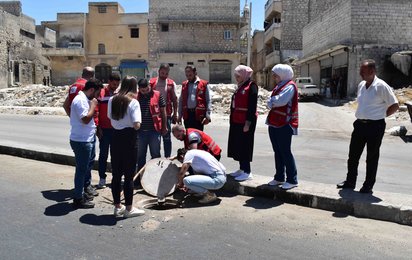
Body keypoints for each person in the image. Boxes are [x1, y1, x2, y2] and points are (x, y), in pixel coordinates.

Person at [337, 59, 399, 194]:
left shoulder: (381, 86)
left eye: (362, 71)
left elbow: (395, 105)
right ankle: (350, 182)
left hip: (375, 126)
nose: (360, 73)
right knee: (353, 155)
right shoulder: (361, 85)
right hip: (360, 125)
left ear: (372, 71)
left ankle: (368, 185)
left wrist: (381, 115)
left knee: (371, 157)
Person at [108, 76, 145, 218]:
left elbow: (110, 118)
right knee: (129, 176)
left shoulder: (112, 99)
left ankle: (117, 207)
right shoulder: (133, 102)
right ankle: (129, 208)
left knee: (116, 175)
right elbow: (137, 124)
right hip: (129, 139)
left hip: (115, 137)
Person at [69, 78, 103, 208]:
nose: (98, 96)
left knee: (83, 169)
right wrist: (93, 106)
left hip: (85, 139)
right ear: (92, 90)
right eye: (97, 93)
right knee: (81, 170)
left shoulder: (83, 99)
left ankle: (81, 193)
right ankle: (78, 198)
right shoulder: (80, 100)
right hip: (82, 141)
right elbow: (85, 119)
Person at [266, 64, 299, 190]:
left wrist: (272, 101)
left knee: (285, 152)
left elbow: (280, 101)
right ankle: (279, 177)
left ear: (283, 74)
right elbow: (272, 102)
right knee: (277, 152)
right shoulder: (280, 86)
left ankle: (292, 179)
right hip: (274, 123)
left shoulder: (289, 86)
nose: (274, 77)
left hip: (284, 124)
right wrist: (272, 101)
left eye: (276, 75)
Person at [228, 65, 258, 181]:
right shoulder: (240, 86)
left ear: (244, 75)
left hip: (246, 121)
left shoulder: (252, 86)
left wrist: (248, 123)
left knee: (245, 145)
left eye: (238, 76)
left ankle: (247, 171)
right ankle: (242, 168)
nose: (236, 78)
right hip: (237, 120)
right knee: (238, 144)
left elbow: (252, 106)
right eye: (235, 75)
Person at [136, 78, 167, 173]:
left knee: (156, 155)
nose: (144, 92)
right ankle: (140, 178)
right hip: (140, 132)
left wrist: (164, 127)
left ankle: (156, 176)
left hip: (155, 131)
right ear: (139, 89)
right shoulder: (136, 97)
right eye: (142, 91)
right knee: (140, 156)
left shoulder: (157, 95)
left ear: (149, 86)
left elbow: (163, 112)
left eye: (146, 90)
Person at [95, 73, 121, 189]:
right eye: (113, 83)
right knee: (103, 155)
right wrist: (98, 127)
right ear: (109, 82)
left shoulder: (119, 94)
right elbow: (96, 111)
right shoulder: (101, 93)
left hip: (116, 130)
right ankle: (102, 178)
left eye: (117, 84)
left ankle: (116, 178)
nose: (115, 86)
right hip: (104, 130)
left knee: (116, 156)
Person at [149, 63, 178, 158]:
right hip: (155, 115)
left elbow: (174, 99)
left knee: (167, 137)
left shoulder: (171, 83)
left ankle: (167, 158)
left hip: (168, 114)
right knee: (155, 138)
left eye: (166, 73)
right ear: (159, 72)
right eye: (162, 73)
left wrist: (175, 113)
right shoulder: (152, 83)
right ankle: (156, 158)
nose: (164, 75)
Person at [178, 65, 212, 131]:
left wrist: (208, 115)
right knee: (188, 136)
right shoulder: (184, 84)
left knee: (198, 137)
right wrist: (179, 115)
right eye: (187, 75)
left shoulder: (204, 84)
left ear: (195, 73)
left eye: (190, 75)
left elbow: (208, 100)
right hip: (187, 115)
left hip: (199, 116)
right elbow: (181, 101)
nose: (188, 77)